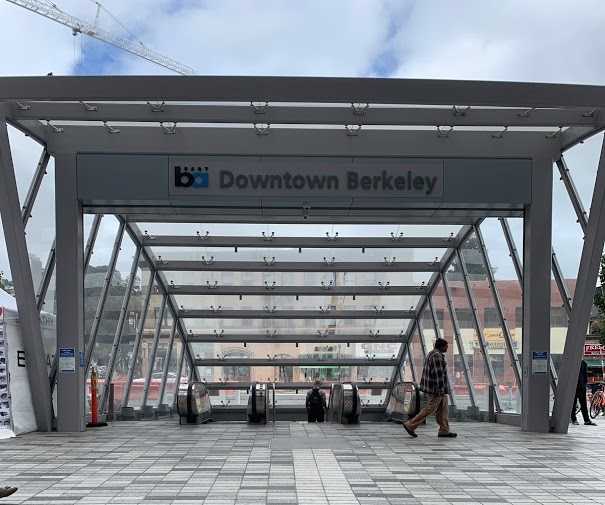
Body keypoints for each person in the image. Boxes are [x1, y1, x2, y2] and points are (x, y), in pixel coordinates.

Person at [403, 338, 457, 438]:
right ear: (441, 346)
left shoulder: (431, 354)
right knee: (429, 409)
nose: (447, 348)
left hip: (437, 389)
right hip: (437, 389)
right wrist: (440, 389)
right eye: (446, 346)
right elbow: (438, 375)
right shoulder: (437, 356)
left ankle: (444, 430)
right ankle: (410, 425)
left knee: (443, 410)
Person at [571, 359, 597, 426]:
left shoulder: (583, 363)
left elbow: (585, 376)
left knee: (583, 404)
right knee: (573, 404)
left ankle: (586, 420)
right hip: (574, 386)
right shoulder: (573, 362)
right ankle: (574, 419)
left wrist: (585, 385)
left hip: (581, 387)